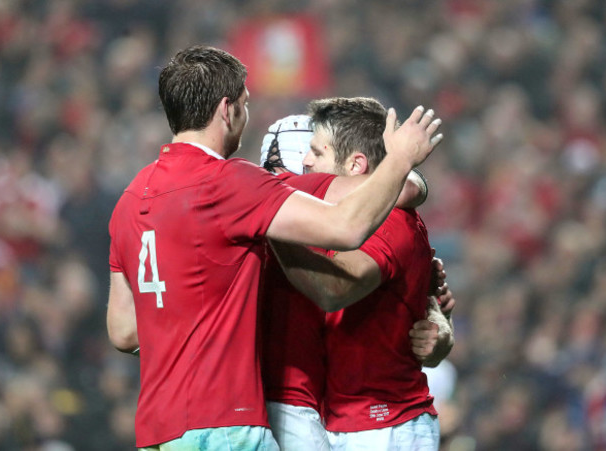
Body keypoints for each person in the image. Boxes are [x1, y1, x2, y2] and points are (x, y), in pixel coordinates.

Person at [106, 46, 443, 450]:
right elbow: (350, 223)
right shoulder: (233, 185)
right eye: (246, 106)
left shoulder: (129, 200)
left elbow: (124, 331)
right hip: (226, 421)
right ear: (227, 110)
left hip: (158, 427)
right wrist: (403, 160)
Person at [263, 98, 454, 451]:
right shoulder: (336, 220)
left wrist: (272, 226)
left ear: (355, 164)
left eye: (317, 153)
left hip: (385, 423)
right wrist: (437, 315)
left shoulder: (390, 220)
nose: (308, 162)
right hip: (348, 421)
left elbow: (335, 288)